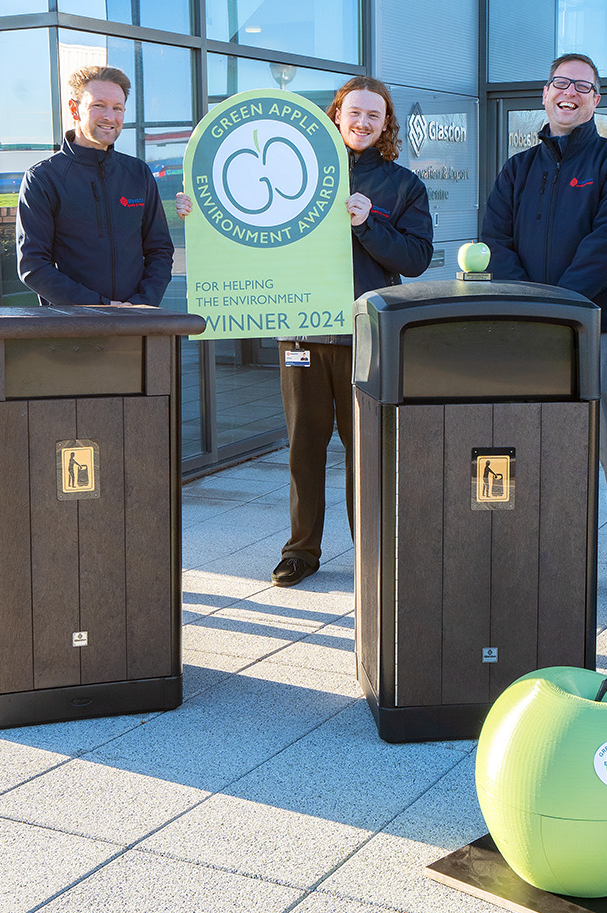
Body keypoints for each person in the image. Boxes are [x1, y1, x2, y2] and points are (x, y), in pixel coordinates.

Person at [176, 77, 433, 587]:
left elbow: (417, 259)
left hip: (365, 335)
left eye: (373, 116)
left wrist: (368, 224)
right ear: (336, 115)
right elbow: (248, 229)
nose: (362, 122)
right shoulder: (298, 170)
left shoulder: (403, 185)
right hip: (301, 333)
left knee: (366, 450)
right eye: (354, 112)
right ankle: (300, 551)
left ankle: (373, 550)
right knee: (304, 446)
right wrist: (200, 216)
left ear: (386, 125)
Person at [481, 53, 607, 606]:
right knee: (520, 446)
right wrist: (535, 307)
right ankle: (516, 554)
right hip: (528, 332)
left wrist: (559, 303)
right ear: (544, 93)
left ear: (596, 99)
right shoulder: (518, 170)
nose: (570, 94)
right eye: (561, 84)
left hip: (601, 330)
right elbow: (496, 241)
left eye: (582, 87)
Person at [17, 65, 173, 306]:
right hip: (72, 329)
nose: (110, 117)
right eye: (98, 105)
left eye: (118, 108)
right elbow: (32, 265)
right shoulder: (43, 178)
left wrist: (143, 304)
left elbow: (160, 250)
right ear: (74, 109)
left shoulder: (138, 173)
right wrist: (101, 307)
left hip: (139, 321)